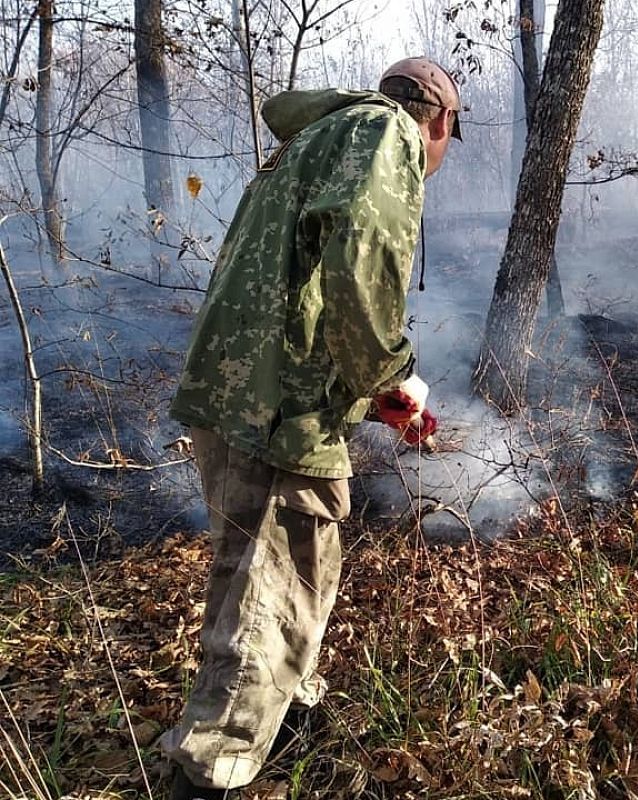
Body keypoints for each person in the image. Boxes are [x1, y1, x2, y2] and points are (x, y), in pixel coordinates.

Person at [160, 57, 461, 800]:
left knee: (254, 573)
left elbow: (294, 283)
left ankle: (285, 718)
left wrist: (368, 394)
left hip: (232, 389)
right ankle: (213, 772)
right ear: (442, 123)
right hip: (281, 411)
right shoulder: (388, 131)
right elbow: (359, 262)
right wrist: (392, 376)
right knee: (277, 586)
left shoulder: (312, 141)